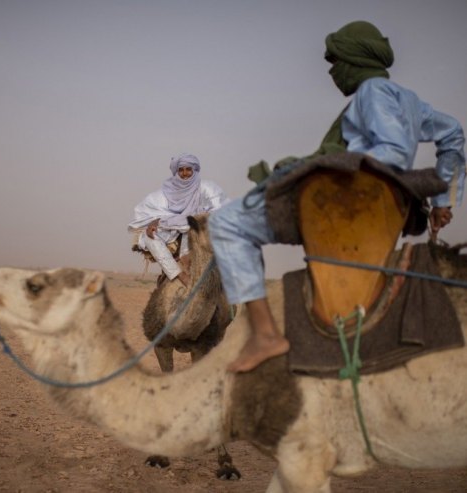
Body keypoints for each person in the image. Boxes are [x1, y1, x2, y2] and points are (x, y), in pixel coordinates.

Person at [209, 20, 466, 373]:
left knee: (227, 222)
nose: (331, 71)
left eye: (335, 61)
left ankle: (265, 334)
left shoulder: (372, 92)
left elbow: (391, 152)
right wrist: (443, 201)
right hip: (381, 206)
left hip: (348, 203)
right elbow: (453, 133)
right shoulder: (410, 102)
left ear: (353, 60)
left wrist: (330, 165)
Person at [129, 153, 228, 286]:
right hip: (173, 228)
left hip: (199, 229)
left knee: (192, 227)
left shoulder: (206, 188)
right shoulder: (168, 190)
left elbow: (220, 209)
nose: (184, 173)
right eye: (181, 170)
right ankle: (179, 274)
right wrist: (156, 220)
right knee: (148, 237)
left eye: (188, 169)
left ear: (194, 170)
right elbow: (146, 209)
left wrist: (192, 218)